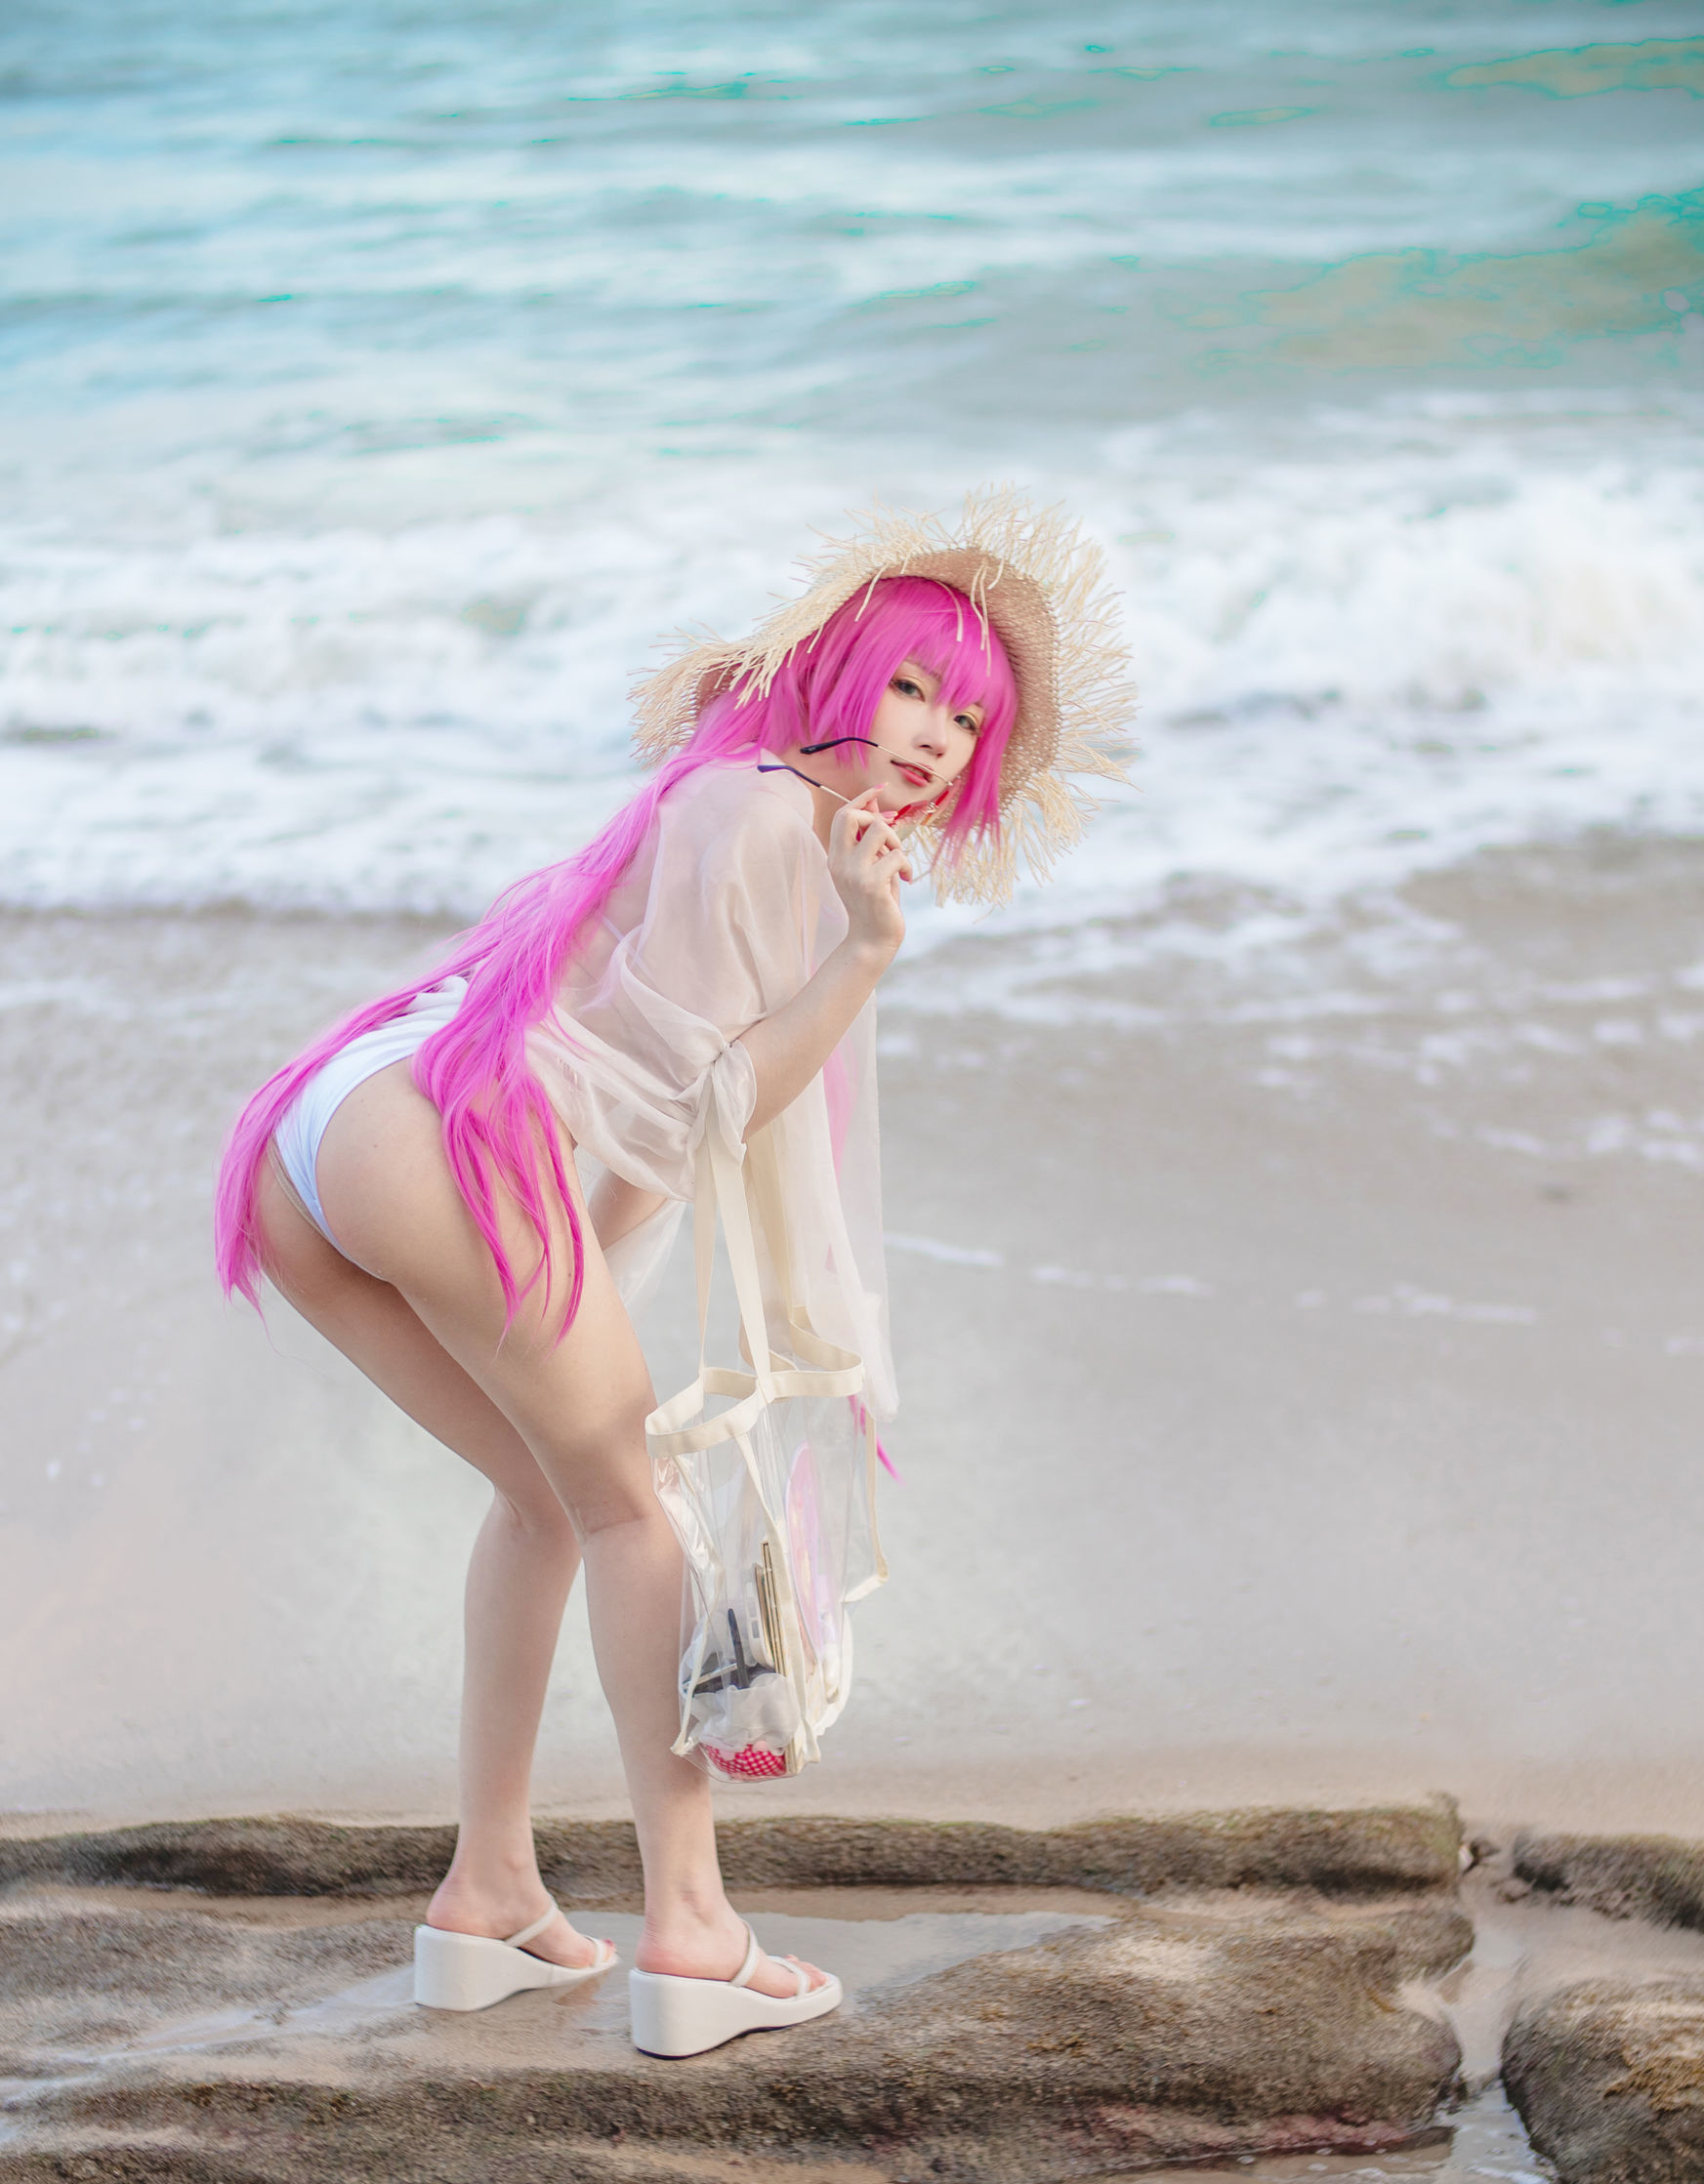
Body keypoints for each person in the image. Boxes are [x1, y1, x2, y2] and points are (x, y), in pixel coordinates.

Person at [214, 488, 1131, 2053]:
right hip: (421, 1137)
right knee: (634, 1500)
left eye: (969, 718)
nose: (934, 734)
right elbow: (705, 1098)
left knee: (550, 1490)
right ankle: (692, 1930)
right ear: (839, 676)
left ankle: (488, 1893)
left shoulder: (736, 789)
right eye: (912, 685)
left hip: (340, 1130)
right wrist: (865, 953)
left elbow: (638, 1093)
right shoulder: (770, 819)